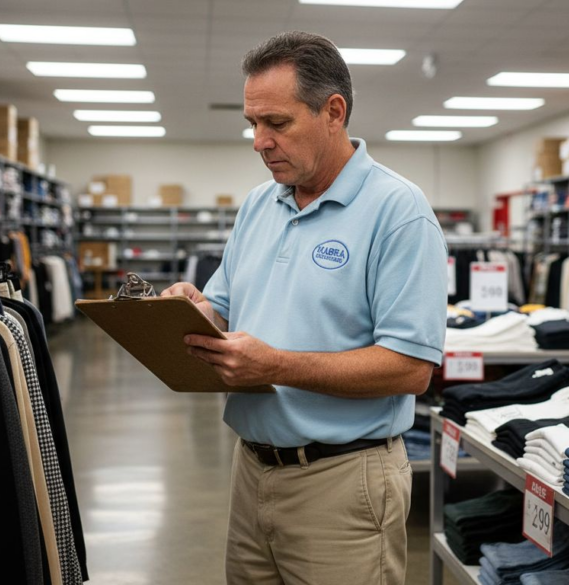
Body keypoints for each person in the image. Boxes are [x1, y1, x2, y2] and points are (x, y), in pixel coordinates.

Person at [163, 31, 447, 585]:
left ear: (333, 111)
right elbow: (223, 311)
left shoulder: (399, 212)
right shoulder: (258, 205)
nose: (258, 141)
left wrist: (277, 366)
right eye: (252, 124)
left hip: (344, 483)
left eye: (277, 123)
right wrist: (192, 309)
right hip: (251, 471)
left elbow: (411, 368)